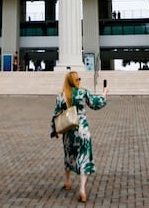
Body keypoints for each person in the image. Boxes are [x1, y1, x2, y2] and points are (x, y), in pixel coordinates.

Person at [50, 71, 109, 203]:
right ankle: (82, 188)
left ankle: (68, 181)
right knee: (84, 157)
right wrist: (104, 93)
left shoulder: (61, 96)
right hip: (82, 129)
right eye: (78, 79)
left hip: (68, 130)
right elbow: (96, 104)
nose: (79, 81)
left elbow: (56, 114)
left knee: (69, 155)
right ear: (75, 81)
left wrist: (55, 131)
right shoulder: (83, 93)